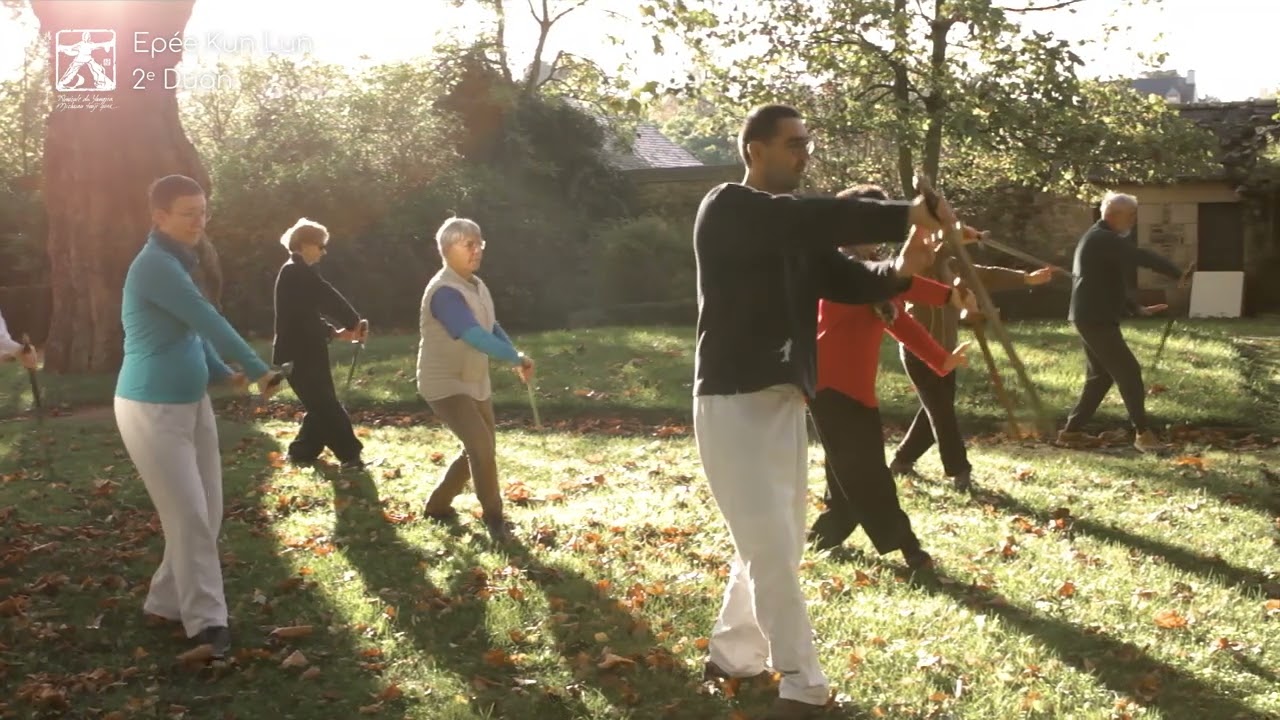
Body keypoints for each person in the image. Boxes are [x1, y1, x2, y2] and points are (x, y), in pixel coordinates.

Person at [692, 103, 961, 720]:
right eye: (792, 143)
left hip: (784, 398)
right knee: (767, 542)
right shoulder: (729, 206)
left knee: (776, 541)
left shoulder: (794, 235)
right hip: (730, 398)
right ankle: (804, 687)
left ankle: (733, 654)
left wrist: (904, 266)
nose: (803, 152)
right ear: (755, 148)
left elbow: (852, 277)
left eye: (807, 143)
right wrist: (904, 213)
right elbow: (809, 215)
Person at [114, 174, 283, 660]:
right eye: (188, 213)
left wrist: (220, 372)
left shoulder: (176, 263)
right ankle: (209, 624)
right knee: (188, 515)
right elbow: (206, 318)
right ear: (159, 217)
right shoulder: (154, 265)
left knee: (206, 512)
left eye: (203, 211)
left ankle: (164, 601)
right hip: (150, 407)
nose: (198, 221)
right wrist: (256, 367)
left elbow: (188, 331)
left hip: (190, 404)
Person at [808, 185, 976, 569]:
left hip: (854, 387)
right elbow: (889, 284)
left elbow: (900, 320)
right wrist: (946, 296)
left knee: (845, 471)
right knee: (866, 470)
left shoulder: (872, 275)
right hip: (830, 385)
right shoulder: (838, 269)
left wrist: (941, 360)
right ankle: (907, 546)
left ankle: (823, 536)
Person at [889, 220, 1056, 492]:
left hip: (948, 351)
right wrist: (964, 235)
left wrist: (1026, 278)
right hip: (918, 351)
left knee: (935, 410)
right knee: (941, 412)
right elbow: (942, 237)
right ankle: (960, 470)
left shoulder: (951, 264)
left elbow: (985, 275)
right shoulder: (916, 264)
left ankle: (902, 461)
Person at [415, 217, 534, 543]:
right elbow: (471, 335)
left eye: (479, 243)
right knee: (481, 447)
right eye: (468, 244)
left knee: (481, 446)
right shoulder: (444, 292)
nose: (477, 249)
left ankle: (438, 506)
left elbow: (490, 327)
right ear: (446, 249)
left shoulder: (476, 285)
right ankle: (495, 520)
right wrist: (514, 358)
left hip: (473, 379)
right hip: (444, 382)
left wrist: (514, 352)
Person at [1059, 191, 1187, 452]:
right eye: (1131, 215)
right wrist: (1177, 272)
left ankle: (1071, 433)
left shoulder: (1103, 239)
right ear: (1113, 215)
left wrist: (1137, 309)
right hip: (1094, 319)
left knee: (1100, 377)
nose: (1134, 220)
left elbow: (1110, 283)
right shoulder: (1102, 238)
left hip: (1093, 316)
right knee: (1128, 371)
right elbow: (1140, 256)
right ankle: (1143, 434)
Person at [272, 217, 369, 469]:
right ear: (304, 244)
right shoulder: (295, 271)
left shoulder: (301, 273)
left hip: (309, 350)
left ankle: (302, 451)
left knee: (320, 402)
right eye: (320, 245)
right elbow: (326, 296)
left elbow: (308, 314)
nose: (324, 251)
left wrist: (338, 332)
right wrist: (353, 321)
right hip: (296, 354)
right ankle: (350, 456)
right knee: (324, 403)